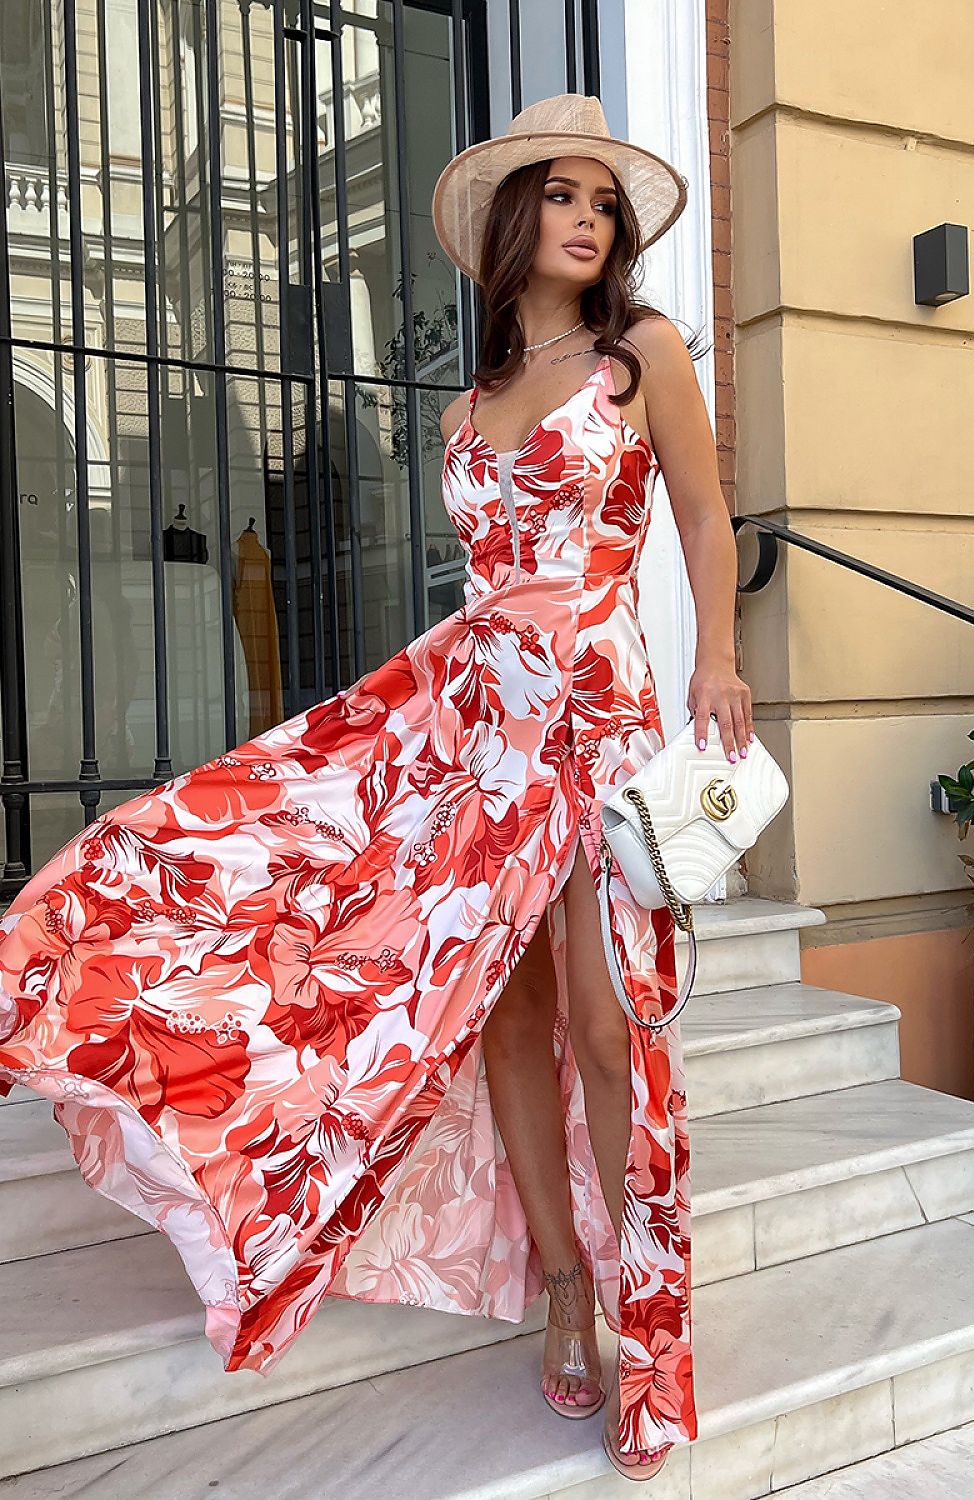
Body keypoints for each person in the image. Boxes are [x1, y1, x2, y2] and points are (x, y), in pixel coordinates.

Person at [0, 94, 752, 1483]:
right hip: (476, 730)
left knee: (608, 1030)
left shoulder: (640, 354)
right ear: (512, 222)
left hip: (602, 718)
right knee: (503, 1021)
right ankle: (564, 1293)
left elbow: (706, 518)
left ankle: (645, 1319)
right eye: (563, 196)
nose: (588, 220)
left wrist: (719, 658)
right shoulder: (464, 406)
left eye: (604, 202)